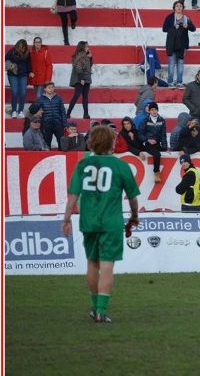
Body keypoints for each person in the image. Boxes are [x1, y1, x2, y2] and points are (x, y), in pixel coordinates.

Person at [61, 125, 140, 323]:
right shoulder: (120, 165)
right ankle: (101, 311)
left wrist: (66, 219)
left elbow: (73, 196)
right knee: (107, 266)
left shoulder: (83, 164)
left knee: (92, 263)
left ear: (91, 142)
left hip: (88, 221)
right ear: (112, 142)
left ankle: (94, 307)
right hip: (111, 222)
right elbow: (132, 197)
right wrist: (134, 216)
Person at [163, 1, 197, 88]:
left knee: (180, 63)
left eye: (180, 6)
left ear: (183, 8)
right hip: (171, 43)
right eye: (177, 6)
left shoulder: (186, 18)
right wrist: (174, 27)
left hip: (182, 43)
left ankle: (179, 82)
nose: (179, 8)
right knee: (171, 63)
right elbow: (164, 29)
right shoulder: (170, 17)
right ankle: (170, 82)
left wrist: (187, 26)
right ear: (174, 8)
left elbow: (193, 29)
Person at [137, 102, 168, 182]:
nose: (154, 111)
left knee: (162, 152)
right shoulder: (145, 121)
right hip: (147, 144)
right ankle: (156, 173)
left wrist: (165, 147)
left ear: (157, 110)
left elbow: (163, 134)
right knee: (157, 154)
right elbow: (139, 134)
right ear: (149, 111)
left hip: (157, 144)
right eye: (152, 109)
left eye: (155, 109)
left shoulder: (162, 120)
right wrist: (148, 140)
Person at [5, 39, 33, 119]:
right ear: (17, 46)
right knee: (15, 92)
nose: (22, 49)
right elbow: (5, 60)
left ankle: (20, 111)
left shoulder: (27, 52)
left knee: (23, 93)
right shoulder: (12, 51)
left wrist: (30, 71)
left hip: (23, 74)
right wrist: (10, 65)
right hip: (12, 74)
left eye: (24, 47)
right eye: (21, 47)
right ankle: (14, 111)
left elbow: (28, 63)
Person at [66, 41, 93, 119]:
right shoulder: (79, 56)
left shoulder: (86, 56)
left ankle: (86, 114)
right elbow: (78, 67)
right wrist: (81, 78)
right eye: (87, 46)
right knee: (76, 96)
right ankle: (68, 113)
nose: (88, 48)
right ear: (82, 47)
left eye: (88, 46)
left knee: (85, 97)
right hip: (80, 79)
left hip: (86, 79)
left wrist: (90, 58)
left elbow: (89, 66)